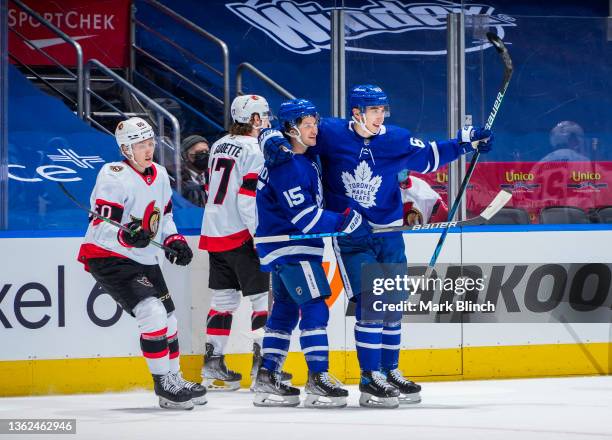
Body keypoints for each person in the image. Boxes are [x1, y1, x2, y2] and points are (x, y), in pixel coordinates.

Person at [260, 84, 493, 408]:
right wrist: (269, 138)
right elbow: (286, 129)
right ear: (356, 113)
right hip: (353, 239)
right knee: (371, 302)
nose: (380, 116)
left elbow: (428, 157)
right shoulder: (328, 133)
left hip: (389, 234)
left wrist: (465, 143)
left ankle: (388, 370)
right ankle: (369, 379)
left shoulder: (394, 137)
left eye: (383, 110)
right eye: (374, 110)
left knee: (392, 305)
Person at [77, 117, 207, 410]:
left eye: (150, 143)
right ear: (126, 148)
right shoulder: (113, 175)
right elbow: (99, 225)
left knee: (170, 320)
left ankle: (174, 377)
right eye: (140, 145)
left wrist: (174, 240)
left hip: (143, 257)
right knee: (152, 313)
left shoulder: (160, 174)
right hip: (109, 257)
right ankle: (163, 384)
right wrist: (125, 234)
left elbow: (166, 218)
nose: (148, 150)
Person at [253, 99, 365, 408]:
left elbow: (267, 134)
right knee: (316, 306)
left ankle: (267, 376)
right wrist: (347, 223)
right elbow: (306, 218)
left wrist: (268, 134)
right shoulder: (288, 165)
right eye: (307, 125)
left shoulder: (300, 157)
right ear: (290, 129)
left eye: (315, 123)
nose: (315, 130)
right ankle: (318, 378)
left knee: (285, 311)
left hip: (284, 247)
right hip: (292, 246)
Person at [199, 95, 281, 391]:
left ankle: (212, 365)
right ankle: (263, 371)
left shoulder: (220, 143)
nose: (268, 121)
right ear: (255, 120)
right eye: (264, 116)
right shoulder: (255, 148)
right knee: (262, 302)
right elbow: (248, 198)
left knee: (223, 302)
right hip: (242, 234)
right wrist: (261, 235)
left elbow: (210, 187)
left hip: (215, 230)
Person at [180, 134, 210, 207]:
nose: (204, 155)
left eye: (207, 152)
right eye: (199, 153)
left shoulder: (213, 176)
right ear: (185, 155)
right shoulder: (178, 179)